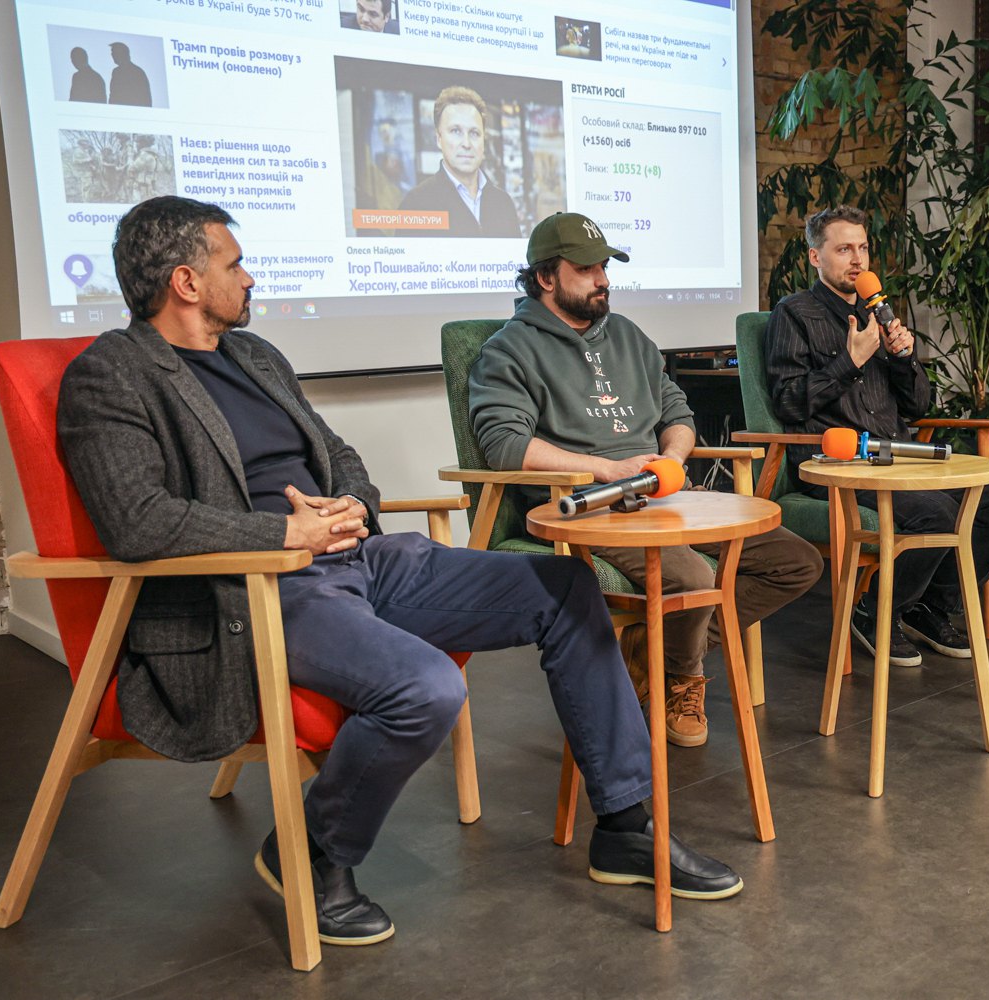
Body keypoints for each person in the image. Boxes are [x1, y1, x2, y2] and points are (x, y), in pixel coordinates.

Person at [57, 196, 743, 949]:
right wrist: (285, 531)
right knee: (425, 687)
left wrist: (352, 503)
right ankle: (310, 854)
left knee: (566, 588)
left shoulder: (254, 358)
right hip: (255, 585)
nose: (250, 277)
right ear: (186, 282)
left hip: (361, 558)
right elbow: (136, 520)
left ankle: (626, 826)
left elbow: (337, 452)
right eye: (234, 263)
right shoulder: (111, 376)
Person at [468, 212, 822, 747]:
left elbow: (676, 412)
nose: (603, 280)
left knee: (796, 562)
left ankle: (653, 653)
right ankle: (683, 677)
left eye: (604, 267)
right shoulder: (508, 350)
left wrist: (673, 459)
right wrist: (607, 470)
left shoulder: (628, 335)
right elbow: (505, 446)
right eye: (586, 269)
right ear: (545, 277)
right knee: (695, 580)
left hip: (661, 494)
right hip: (590, 505)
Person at [765, 204, 989, 667]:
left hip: (903, 453)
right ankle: (876, 612)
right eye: (844, 248)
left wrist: (904, 357)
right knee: (938, 512)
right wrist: (849, 362)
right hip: (838, 463)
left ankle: (928, 603)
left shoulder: (878, 312)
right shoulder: (794, 314)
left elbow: (917, 406)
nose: (858, 260)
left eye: (863, 248)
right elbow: (789, 401)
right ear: (815, 257)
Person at [399, 86, 521, 238]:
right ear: (438, 139)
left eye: (474, 133)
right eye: (456, 131)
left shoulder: (503, 203)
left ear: (483, 140)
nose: (467, 143)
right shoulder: (415, 204)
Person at [107, 42, 152, 107]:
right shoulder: (116, 72)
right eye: (112, 53)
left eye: (114, 52)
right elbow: (113, 96)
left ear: (122, 54)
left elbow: (146, 98)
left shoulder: (137, 72)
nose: (112, 55)